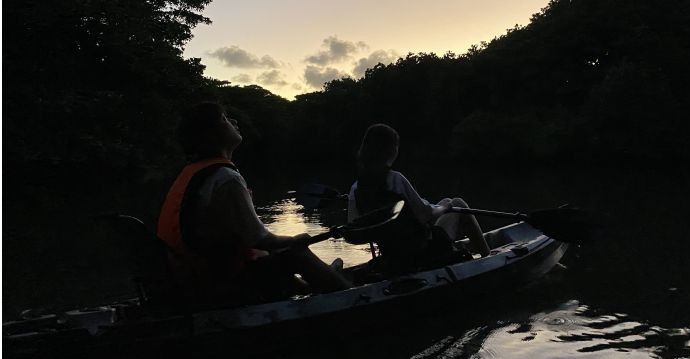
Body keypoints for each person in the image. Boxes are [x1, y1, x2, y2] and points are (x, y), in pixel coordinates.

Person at [158, 102, 351, 307]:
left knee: (275, 254)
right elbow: (261, 239)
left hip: (190, 277)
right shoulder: (225, 178)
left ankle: (311, 285)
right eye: (224, 119)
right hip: (215, 284)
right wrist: (296, 239)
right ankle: (350, 298)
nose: (233, 121)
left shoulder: (192, 173)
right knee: (297, 252)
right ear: (210, 135)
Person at [347, 124, 490, 270]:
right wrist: (445, 208)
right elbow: (425, 214)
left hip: (391, 255)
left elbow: (354, 231)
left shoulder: (355, 189)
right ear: (391, 150)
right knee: (457, 203)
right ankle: (488, 258)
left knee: (446, 201)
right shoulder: (396, 180)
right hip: (423, 251)